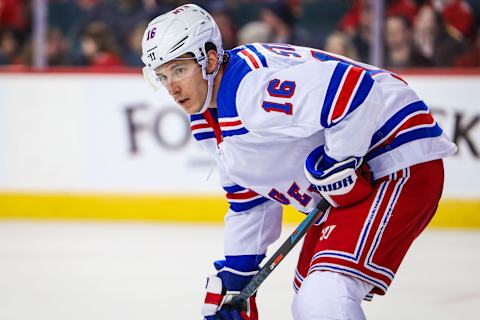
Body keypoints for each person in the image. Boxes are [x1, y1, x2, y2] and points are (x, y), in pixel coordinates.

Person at [140, 4, 457, 320]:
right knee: (309, 304)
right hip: (367, 172)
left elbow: (353, 88)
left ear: (209, 59)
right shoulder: (208, 116)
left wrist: (339, 159)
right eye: (163, 75)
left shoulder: (248, 88)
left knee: (325, 297)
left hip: (392, 155)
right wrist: (237, 281)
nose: (172, 87)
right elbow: (249, 199)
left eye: (180, 70)